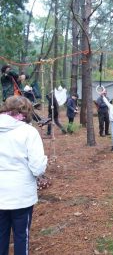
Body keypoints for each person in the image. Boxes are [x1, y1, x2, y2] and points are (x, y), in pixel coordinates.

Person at [0, 96, 47, 255]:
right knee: (21, 237)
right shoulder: (28, 132)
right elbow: (37, 168)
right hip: (21, 196)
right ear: (26, 111)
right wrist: (44, 160)